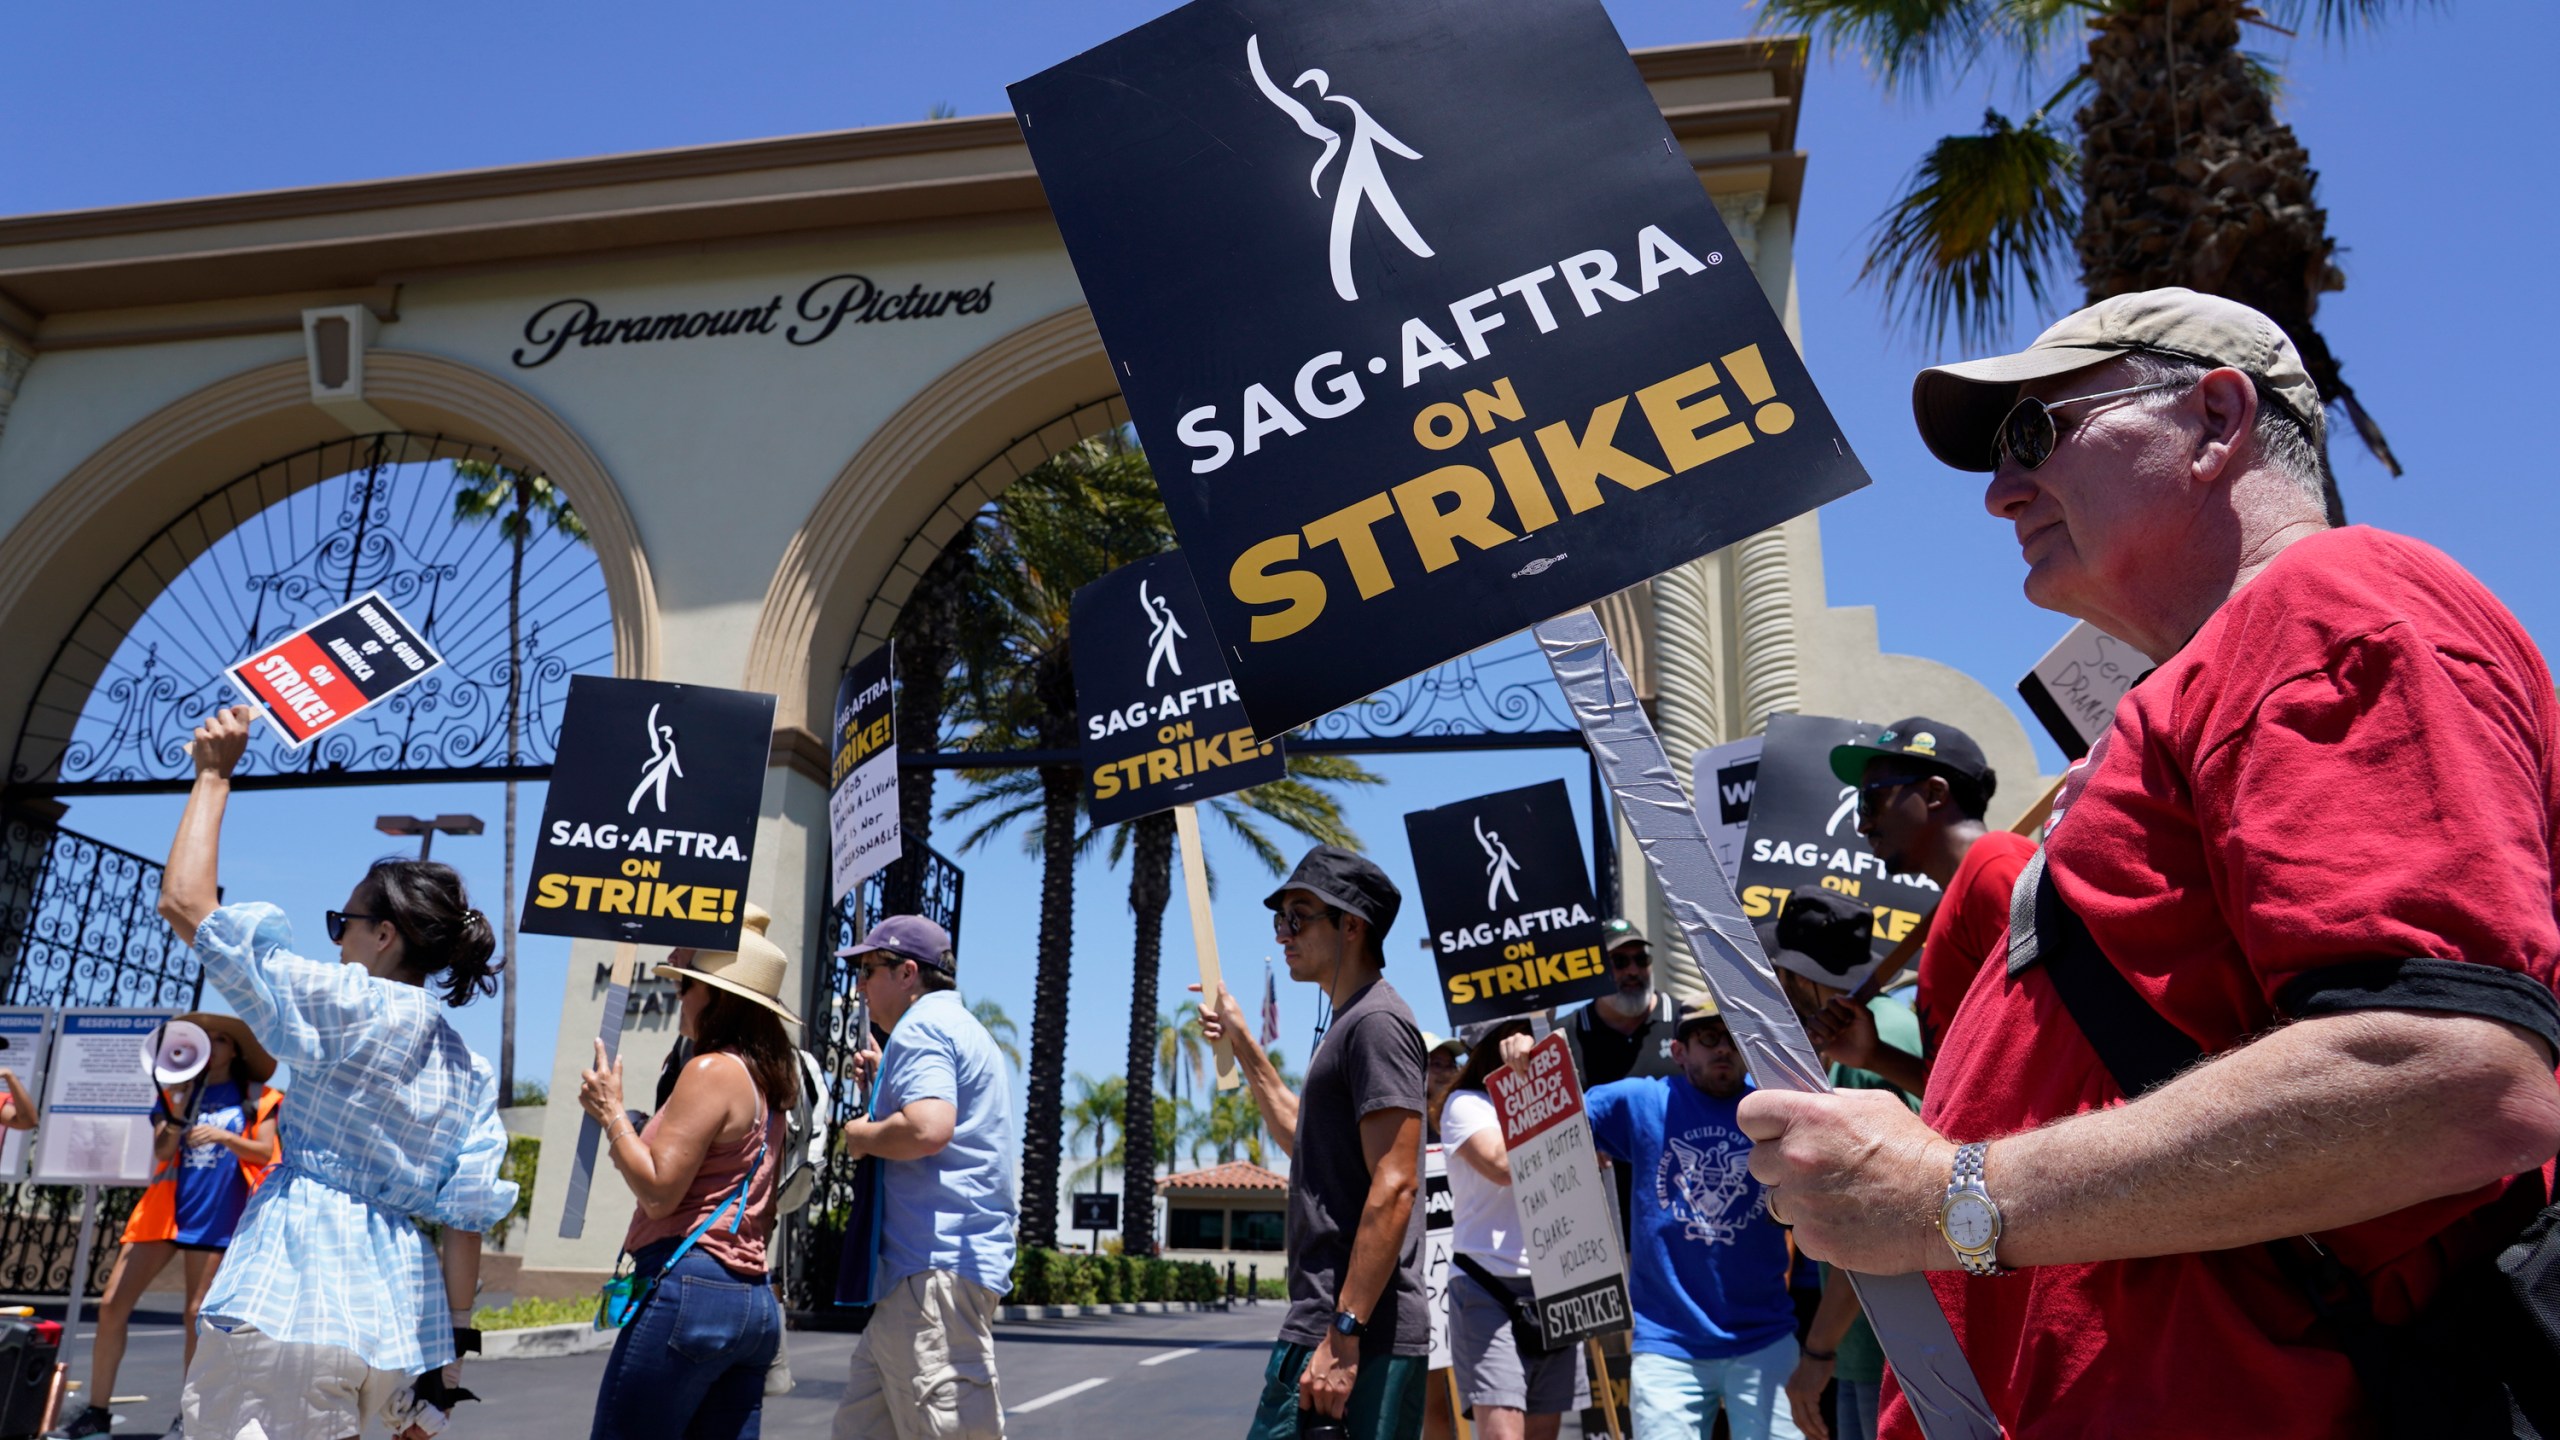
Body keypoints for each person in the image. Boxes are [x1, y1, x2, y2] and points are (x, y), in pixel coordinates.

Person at [1741, 287, 2560, 1439]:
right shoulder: (2227, 674)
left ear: (2218, 419)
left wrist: (1944, 1199)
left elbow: (2447, 1080)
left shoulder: (2328, 603)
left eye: (2035, 433)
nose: (1998, 491)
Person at [158, 704, 517, 1440]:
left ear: (384, 936)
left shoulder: (348, 1003)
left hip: (291, 1294)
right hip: (396, 1319)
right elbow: (464, 1221)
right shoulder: (468, 1069)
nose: (337, 941)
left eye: (341, 924)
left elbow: (187, 904)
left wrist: (214, 776)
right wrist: (449, 1365)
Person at [1196, 845, 1427, 1440]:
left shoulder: (1376, 1023)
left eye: (1299, 917)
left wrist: (1344, 1333)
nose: (1283, 934)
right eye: (1280, 919)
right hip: (1329, 1326)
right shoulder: (1350, 1021)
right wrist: (1246, 1046)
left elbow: (1397, 1183)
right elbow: (1303, 1142)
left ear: (1351, 926)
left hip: (1354, 1336)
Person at [1523, 1005, 1802, 1440]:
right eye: (1708, 1040)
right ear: (1678, 1051)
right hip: (1667, 1344)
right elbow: (1548, 1128)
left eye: (1730, 1038)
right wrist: (1534, 1059)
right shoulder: (1642, 1100)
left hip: (1764, 1336)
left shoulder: (1773, 1107)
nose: (1723, 1049)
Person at [578, 904, 797, 1439]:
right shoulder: (767, 1084)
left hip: (692, 1287)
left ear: (718, 996)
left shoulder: (712, 1069)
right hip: (751, 1298)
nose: (680, 994)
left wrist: (611, 1116)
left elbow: (658, 1193)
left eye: (689, 984)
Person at [830, 915, 1017, 1440]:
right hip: (921, 1278)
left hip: (930, 1276)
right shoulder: (957, 1027)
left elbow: (928, 1128)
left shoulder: (923, 1028)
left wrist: (861, 1133)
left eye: (869, 969)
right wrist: (885, 1080)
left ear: (908, 972)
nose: (860, 984)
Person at [51, 1014, 281, 1440]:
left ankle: (188, 1417)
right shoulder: (176, 1092)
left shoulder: (258, 1096)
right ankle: (96, 1415)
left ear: (235, 1050)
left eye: (220, 1039)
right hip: (166, 1215)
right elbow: (162, 1148)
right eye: (204, 1039)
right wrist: (176, 1109)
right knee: (111, 1305)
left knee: (196, 1316)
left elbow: (265, 1150)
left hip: (220, 1218)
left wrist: (223, 1136)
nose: (210, 1045)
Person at [1758, 893, 1921, 1440]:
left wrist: (1818, 1351)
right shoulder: (1888, 1029)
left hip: (1886, 1350)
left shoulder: (1862, 1057)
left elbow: (1877, 1219)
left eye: (1779, 972)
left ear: (1798, 977)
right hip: (1877, 1342)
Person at [1802, 717, 2033, 1093]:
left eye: (1870, 800)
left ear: (1934, 794)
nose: (1863, 825)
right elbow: (1967, 1097)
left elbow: (2055, 1039)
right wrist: (1875, 1056)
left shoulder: (1996, 864)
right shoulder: (1954, 902)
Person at [1440, 1016, 1586, 1440]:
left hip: (1555, 1282)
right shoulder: (1465, 1105)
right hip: (1487, 1286)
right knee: (1504, 1434)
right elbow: (1503, 1166)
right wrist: (1528, 1084)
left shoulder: (1564, 1096)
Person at [1562, 918, 1682, 1090]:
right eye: (1619, 961)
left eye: (1641, 959)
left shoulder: (1685, 1021)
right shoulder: (1565, 1036)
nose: (1633, 971)